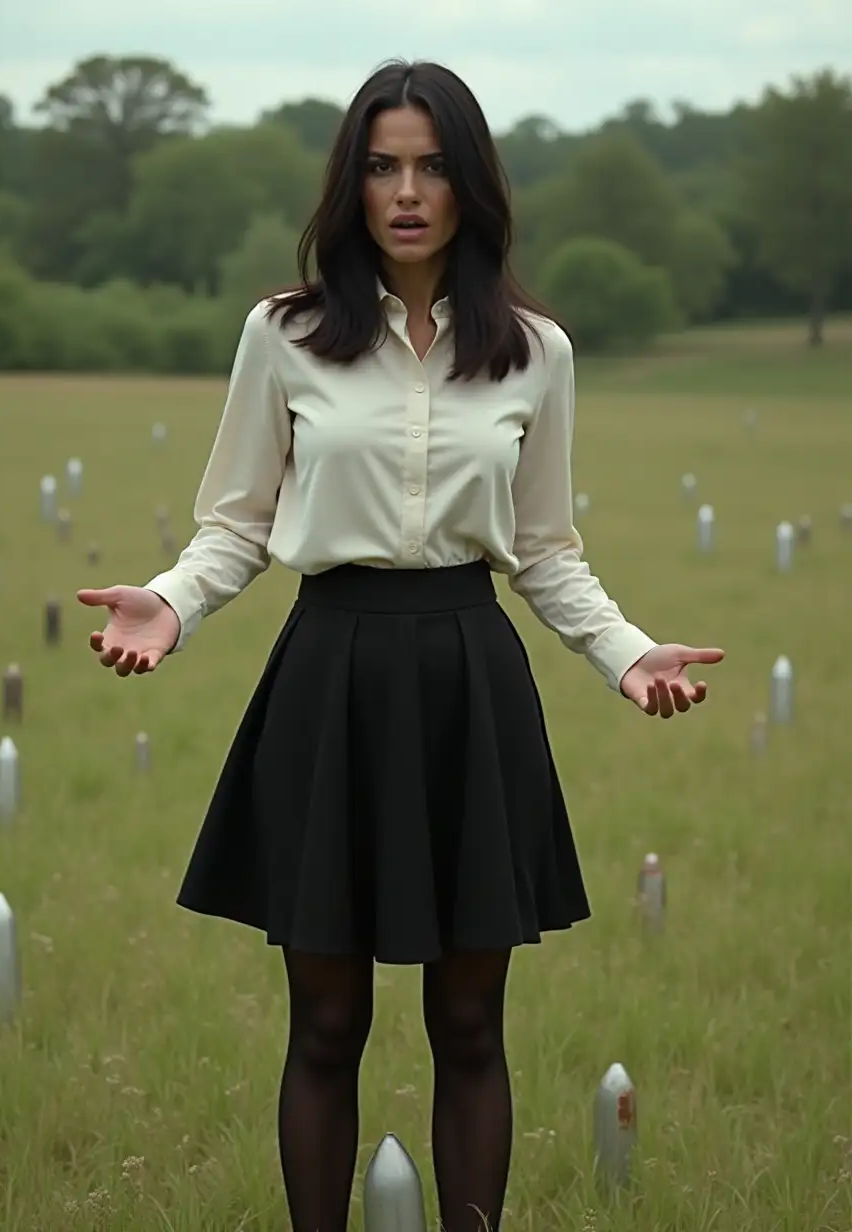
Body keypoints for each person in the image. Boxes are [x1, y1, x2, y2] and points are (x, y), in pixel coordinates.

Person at [77, 59, 723, 1232]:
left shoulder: (535, 350)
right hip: (330, 672)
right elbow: (238, 523)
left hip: (470, 680)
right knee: (325, 1022)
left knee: (471, 1022)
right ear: (352, 183)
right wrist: (169, 601)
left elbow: (543, 549)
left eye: (431, 165)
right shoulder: (281, 335)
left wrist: (626, 652)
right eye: (383, 165)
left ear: (470, 181)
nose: (407, 190)